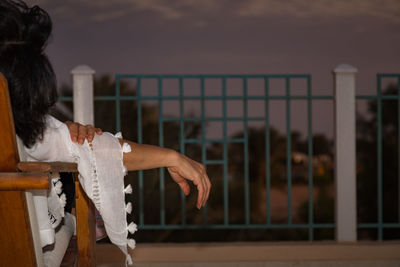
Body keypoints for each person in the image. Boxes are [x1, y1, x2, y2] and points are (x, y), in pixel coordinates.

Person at [0, 0, 211, 265]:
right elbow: (98, 149)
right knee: (69, 219)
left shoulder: (35, 128)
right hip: (18, 249)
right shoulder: (33, 129)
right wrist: (172, 157)